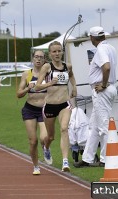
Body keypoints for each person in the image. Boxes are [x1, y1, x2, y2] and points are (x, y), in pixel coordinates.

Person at [74, 26, 117, 168]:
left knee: (103, 127)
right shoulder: (111, 47)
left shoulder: (101, 49)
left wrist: (103, 84)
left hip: (102, 90)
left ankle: (105, 160)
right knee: (94, 126)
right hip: (108, 89)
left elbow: (106, 67)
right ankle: (87, 158)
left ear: (92, 38)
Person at [34, 41, 77, 172]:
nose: (57, 53)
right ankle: (46, 148)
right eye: (54, 51)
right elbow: (37, 86)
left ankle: (65, 161)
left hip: (64, 104)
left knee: (64, 129)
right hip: (50, 106)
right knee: (50, 136)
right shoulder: (47, 67)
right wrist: (50, 83)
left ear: (62, 52)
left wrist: (74, 87)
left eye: (59, 51)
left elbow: (71, 76)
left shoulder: (67, 66)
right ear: (50, 54)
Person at [17, 50, 48, 175]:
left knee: (44, 138)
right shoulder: (26, 74)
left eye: (41, 57)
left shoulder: (48, 74)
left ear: (44, 59)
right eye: (36, 57)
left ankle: (46, 148)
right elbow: (18, 94)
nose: (38, 59)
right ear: (33, 59)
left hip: (44, 110)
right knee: (33, 141)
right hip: (30, 109)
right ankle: (36, 166)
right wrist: (27, 88)